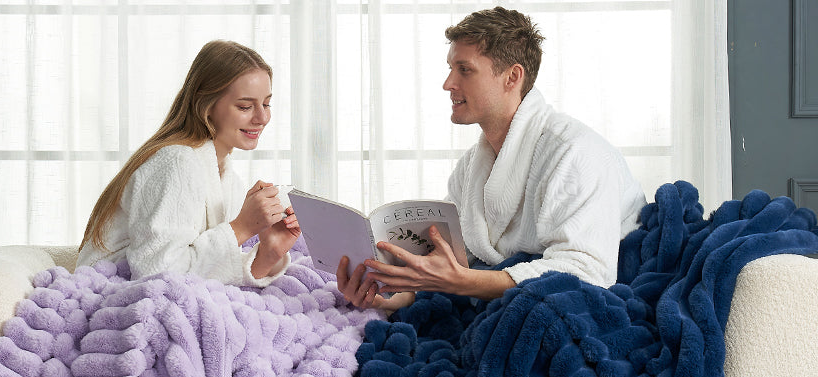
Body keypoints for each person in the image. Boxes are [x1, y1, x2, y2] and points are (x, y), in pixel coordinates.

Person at [337, 7, 647, 310]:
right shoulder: (472, 166)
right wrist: (390, 296)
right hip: (516, 293)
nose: (448, 84)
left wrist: (464, 282)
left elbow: (587, 273)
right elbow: (450, 264)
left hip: (613, 290)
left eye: (465, 70)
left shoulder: (575, 153)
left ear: (512, 77)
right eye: (450, 68)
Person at [78, 40, 299, 286]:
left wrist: (270, 253)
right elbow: (157, 274)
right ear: (206, 105)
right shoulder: (177, 162)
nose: (262, 117)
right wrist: (242, 227)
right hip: (107, 291)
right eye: (245, 106)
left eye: (266, 104)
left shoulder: (228, 179)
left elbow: (203, 269)